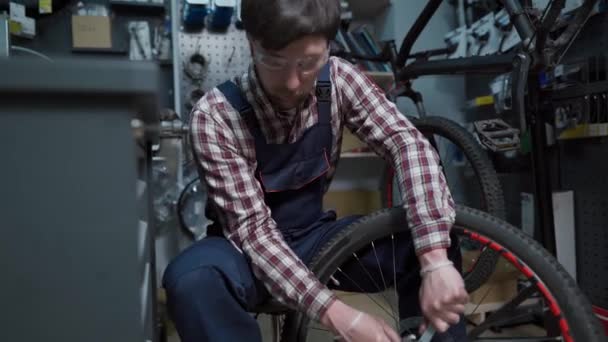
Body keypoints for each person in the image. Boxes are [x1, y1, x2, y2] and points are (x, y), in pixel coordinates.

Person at [162, 0, 469, 341]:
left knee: (426, 236)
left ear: (328, 48)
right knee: (193, 278)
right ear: (251, 43)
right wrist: (340, 316)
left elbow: (406, 143)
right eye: (275, 62)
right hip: (241, 251)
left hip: (313, 240)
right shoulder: (215, 116)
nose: (293, 82)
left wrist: (434, 260)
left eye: (308, 63)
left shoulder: (337, 80)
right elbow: (254, 233)